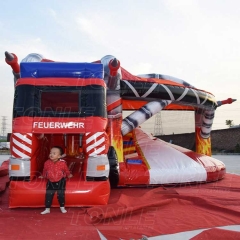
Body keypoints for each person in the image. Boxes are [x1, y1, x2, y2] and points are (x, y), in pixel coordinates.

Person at [40, 146, 73, 214]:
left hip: (60, 180)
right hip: (51, 181)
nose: (51, 154)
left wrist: (69, 174)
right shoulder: (47, 163)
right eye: (50, 153)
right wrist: (43, 176)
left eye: (54, 153)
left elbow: (66, 170)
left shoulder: (62, 163)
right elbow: (45, 170)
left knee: (60, 195)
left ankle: (62, 207)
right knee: (49, 195)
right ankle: (47, 209)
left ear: (59, 156)